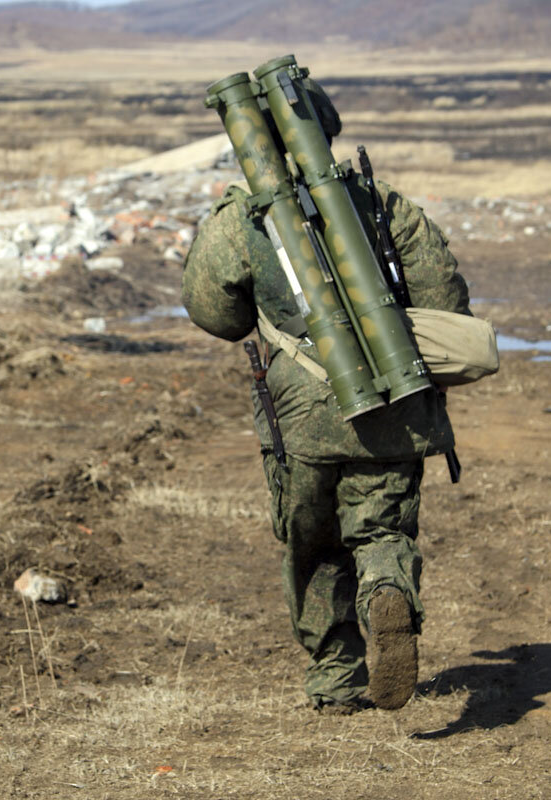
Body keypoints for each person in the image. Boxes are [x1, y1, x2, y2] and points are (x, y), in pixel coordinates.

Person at [181, 103, 470, 713]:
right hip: (394, 398)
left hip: (303, 418)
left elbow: (214, 312)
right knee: (382, 527)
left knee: (312, 546)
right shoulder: (382, 202)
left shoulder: (240, 219)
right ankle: (387, 588)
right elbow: (445, 301)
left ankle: (337, 680)